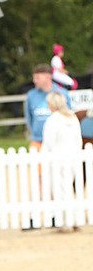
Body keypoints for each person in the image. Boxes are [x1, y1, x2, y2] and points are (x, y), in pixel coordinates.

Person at [41, 91, 82, 232]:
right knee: (70, 189)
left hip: (58, 160)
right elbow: (79, 140)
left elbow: (48, 143)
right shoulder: (72, 117)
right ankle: (75, 219)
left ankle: (67, 222)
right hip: (73, 158)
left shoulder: (53, 119)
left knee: (60, 190)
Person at [24, 64, 70, 152]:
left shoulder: (62, 93)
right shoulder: (31, 95)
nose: (34, 81)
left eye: (37, 78)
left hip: (58, 140)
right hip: (38, 140)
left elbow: (68, 114)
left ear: (48, 77)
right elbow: (29, 118)